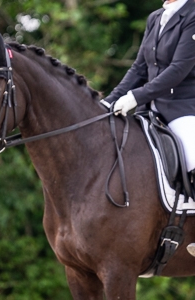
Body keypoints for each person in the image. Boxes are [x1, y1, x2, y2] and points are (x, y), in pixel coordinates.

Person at [100, 0, 195, 256]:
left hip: (184, 107)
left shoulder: (193, 14)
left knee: (192, 157)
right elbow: (139, 68)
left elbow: (178, 70)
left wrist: (135, 97)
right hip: (151, 109)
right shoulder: (156, 17)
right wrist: (109, 100)